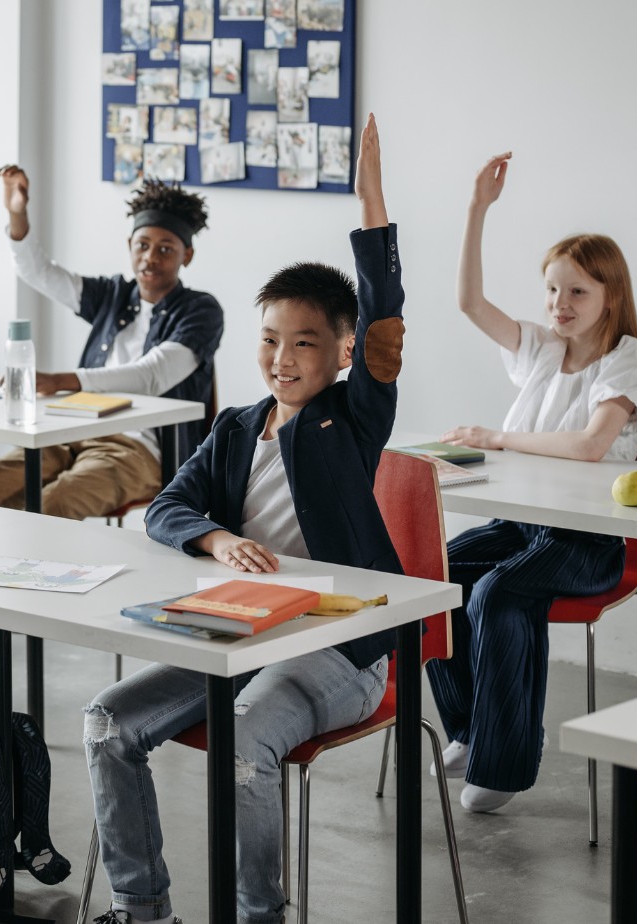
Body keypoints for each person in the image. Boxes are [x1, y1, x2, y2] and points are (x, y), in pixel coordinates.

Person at [83, 115, 399, 924]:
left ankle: (259, 914)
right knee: (106, 725)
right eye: (269, 341)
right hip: (239, 632)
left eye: (304, 343)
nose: (283, 358)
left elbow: (386, 322)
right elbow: (167, 507)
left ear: (341, 352)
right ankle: (143, 909)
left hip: (338, 647)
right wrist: (219, 539)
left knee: (244, 743)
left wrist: (372, 204)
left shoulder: (350, 421)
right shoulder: (233, 428)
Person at [0, 170, 225, 711]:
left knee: (48, 506)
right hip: (69, 431)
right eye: (143, 245)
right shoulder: (114, 296)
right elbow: (39, 271)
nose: (152, 257)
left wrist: (65, 379)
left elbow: (155, 374)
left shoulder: (201, 311)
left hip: (139, 451)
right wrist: (17, 214)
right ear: (131, 248)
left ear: (187, 256)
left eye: (166, 248)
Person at [425, 151, 637, 814]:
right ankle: (472, 731)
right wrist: (477, 210)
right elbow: (469, 301)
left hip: (590, 539)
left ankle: (504, 766)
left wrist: (497, 438)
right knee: (433, 576)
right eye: (552, 290)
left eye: (577, 292)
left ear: (611, 296)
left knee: (500, 593)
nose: (559, 304)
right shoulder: (541, 349)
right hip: (524, 523)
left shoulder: (628, 360)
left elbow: (589, 446)